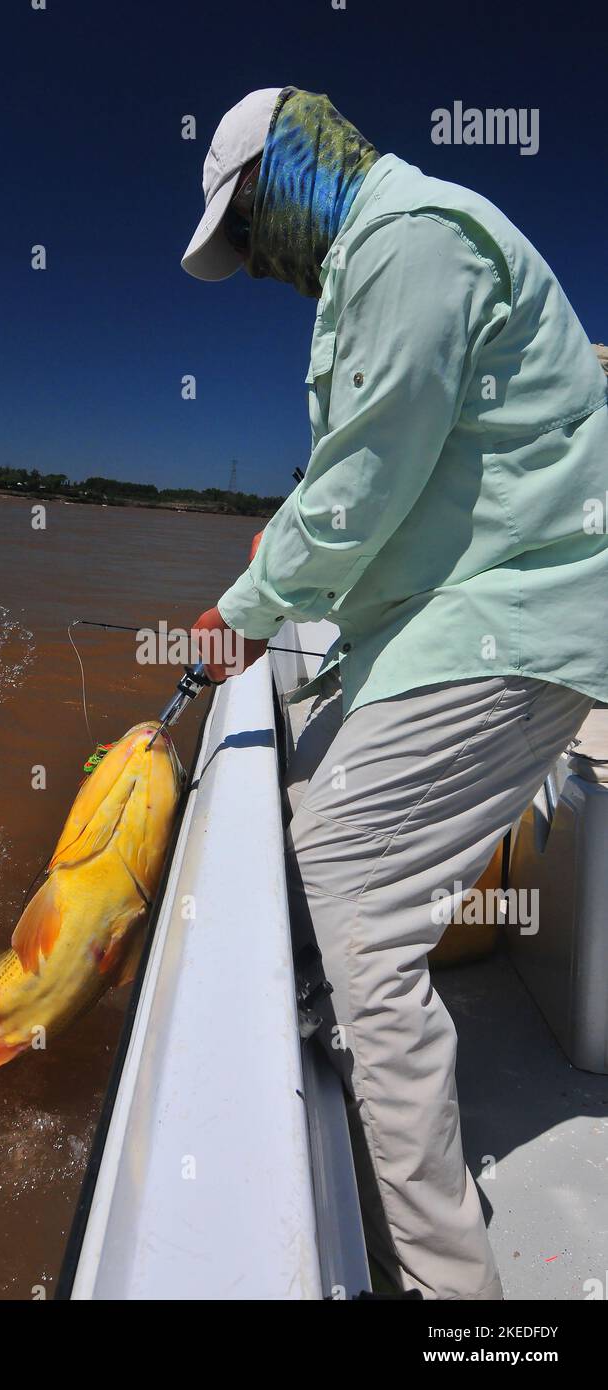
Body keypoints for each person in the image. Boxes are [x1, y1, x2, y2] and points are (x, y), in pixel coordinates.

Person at [182, 85, 608, 1300]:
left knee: (356, 888)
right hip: (460, 620)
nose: (255, 262)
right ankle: (350, 1075)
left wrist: (241, 611)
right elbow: (379, 488)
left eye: (248, 225)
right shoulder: (378, 259)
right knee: (311, 786)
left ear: (290, 172)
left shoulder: (406, 239)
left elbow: (364, 483)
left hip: (516, 622)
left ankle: (448, 1290)